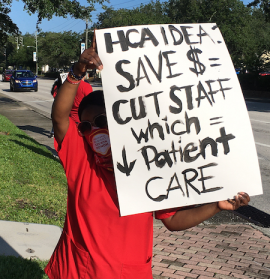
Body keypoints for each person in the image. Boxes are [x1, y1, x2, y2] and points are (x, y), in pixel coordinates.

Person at [45, 34, 250, 279]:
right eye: (86, 126)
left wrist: (216, 205)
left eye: (101, 121)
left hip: (126, 272)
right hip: (78, 270)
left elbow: (173, 220)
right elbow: (59, 117)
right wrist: (77, 72)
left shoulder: (151, 164)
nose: (94, 131)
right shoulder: (82, 160)